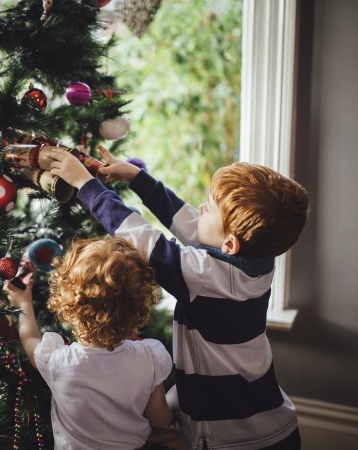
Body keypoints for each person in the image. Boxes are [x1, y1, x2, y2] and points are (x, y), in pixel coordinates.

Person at [48, 145, 310, 450]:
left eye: (209, 208)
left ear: (229, 243)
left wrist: (86, 186)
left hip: (237, 439)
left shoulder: (205, 278)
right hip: (273, 425)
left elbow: (142, 239)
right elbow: (189, 223)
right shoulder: (256, 262)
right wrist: (138, 178)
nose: (200, 207)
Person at [5, 236, 174, 450]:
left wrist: (23, 301)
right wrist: (175, 399)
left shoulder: (58, 360)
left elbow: (29, 338)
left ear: (70, 306)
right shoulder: (150, 357)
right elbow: (159, 419)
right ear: (138, 307)